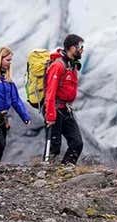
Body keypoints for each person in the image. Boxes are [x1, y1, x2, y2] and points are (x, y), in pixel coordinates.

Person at [44, 34, 84, 165]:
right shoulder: (58, 65)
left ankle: (65, 170)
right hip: (55, 109)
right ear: (72, 48)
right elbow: (50, 91)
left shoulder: (71, 65)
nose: (82, 50)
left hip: (66, 110)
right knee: (54, 147)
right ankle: (47, 174)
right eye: (80, 47)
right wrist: (50, 115)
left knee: (77, 143)